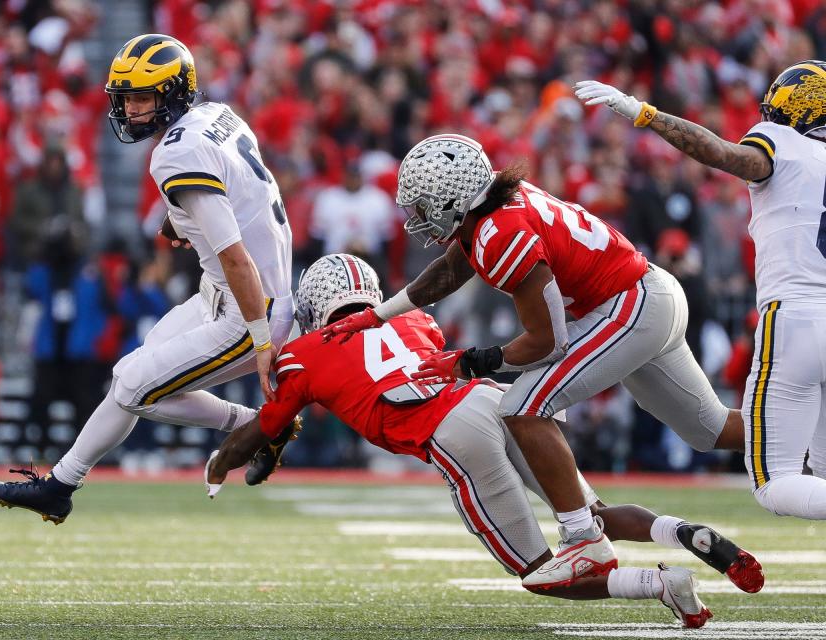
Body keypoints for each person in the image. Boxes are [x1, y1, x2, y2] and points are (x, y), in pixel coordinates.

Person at [206, 254, 764, 629]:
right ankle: (678, 531)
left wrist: (220, 461)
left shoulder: (305, 353)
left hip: (450, 431)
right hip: (496, 399)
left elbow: (263, 427)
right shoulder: (416, 322)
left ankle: (659, 584)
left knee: (541, 572)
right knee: (588, 515)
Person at [323, 134, 744, 590]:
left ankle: (583, 539)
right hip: (644, 297)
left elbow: (548, 342)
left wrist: (467, 363)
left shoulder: (499, 233)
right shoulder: (492, 214)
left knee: (522, 405)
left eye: (424, 206)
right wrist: (378, 314)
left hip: (629, 306)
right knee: (710, 428)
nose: (418, 219)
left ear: (452, 196)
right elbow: (448, 271)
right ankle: (803, 443)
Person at [0, 34, 297, 523]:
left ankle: (258, 427)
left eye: (142, 98)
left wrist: (259, 342)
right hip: (227, 291)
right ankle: (60, 485)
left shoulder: (175, 153)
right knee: (141, 367)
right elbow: (237, 194)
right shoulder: (216, 115)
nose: (130, 110)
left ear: (174, 93)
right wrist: (180, 217)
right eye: (125, 98)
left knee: (132, 383)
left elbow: (235, 255)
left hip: (251, 306)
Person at [574, 60, 826, 519]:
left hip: (796, 317)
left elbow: (723, 154)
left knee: (775, 483)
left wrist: (644, 114)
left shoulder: (782, 143)